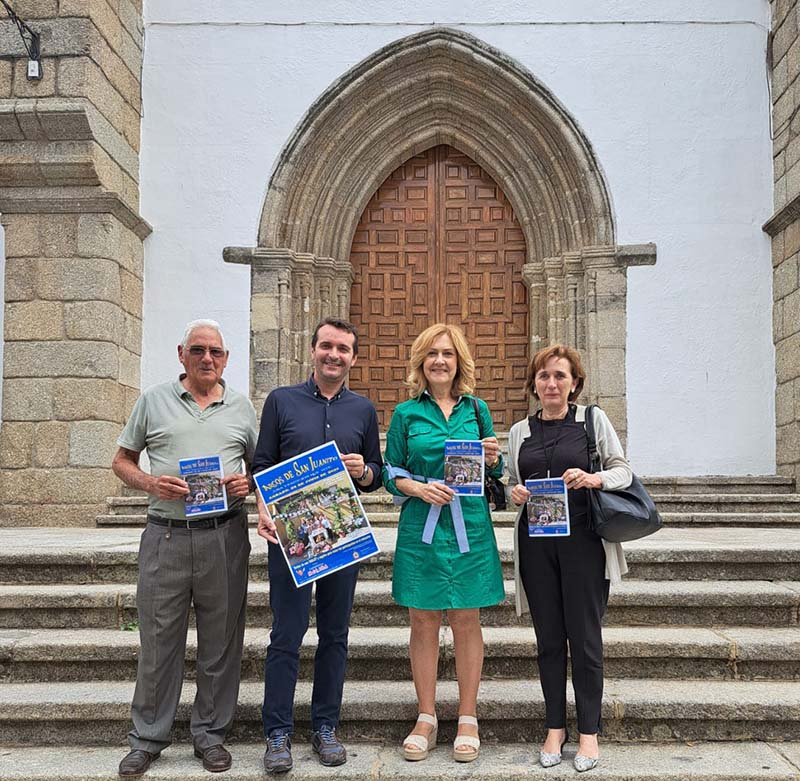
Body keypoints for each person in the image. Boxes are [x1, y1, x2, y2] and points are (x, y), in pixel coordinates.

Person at [112, 319, 257, 777]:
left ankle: (210, 735)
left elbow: (259, 467)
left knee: (221, 641)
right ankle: (148, 738)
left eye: (215, 351)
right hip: (166, 534)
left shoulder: (241, 407)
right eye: (198, 350)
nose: (207, 358)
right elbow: (121, 461)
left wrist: (248, 483)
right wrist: (151, 482)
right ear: (181, 354)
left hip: (224, 534)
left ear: (226, 358)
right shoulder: (153, 401)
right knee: (157, 639)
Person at [253, 317, 382, 773]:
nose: (334, 355)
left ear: (353, 357)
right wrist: (263, 509)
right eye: (327, 346)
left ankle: (326, 727)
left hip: (341, 536)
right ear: (312, 350)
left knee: (335, 635)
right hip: (290, 538)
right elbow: (263, 464)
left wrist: (362, 470)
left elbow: (375, 478)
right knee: (286, 634)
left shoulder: (363, 410)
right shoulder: (280, 401)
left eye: (343, 349)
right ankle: (278, 733)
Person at [382, 323, 504, 763]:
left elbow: (495, 474)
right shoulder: (405, 414)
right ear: (420, 361)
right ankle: (427, 716)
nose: (439, 360)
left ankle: (468, 716)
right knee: (423, 620)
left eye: (448, 354)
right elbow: (389, 471)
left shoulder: (477, 409)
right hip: (422, 525)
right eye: (432, 353)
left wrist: (493, 458)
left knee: (467, 618)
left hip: (469, 523)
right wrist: (416, 489)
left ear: (459, 361)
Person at [507, 344, 632, 773]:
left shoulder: (591, 421)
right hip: (537, 545)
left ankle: (589, 733)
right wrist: (516, 493)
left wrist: (593, 477)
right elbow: (511, 486)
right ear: (535, 385)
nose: (551, 384)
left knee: (584, 639)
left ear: (574, 383)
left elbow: (624, 470)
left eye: (560, 376)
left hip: (584, 543)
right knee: (548, 641)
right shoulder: (519, 431)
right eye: (544, 376)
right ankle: (555, 728)